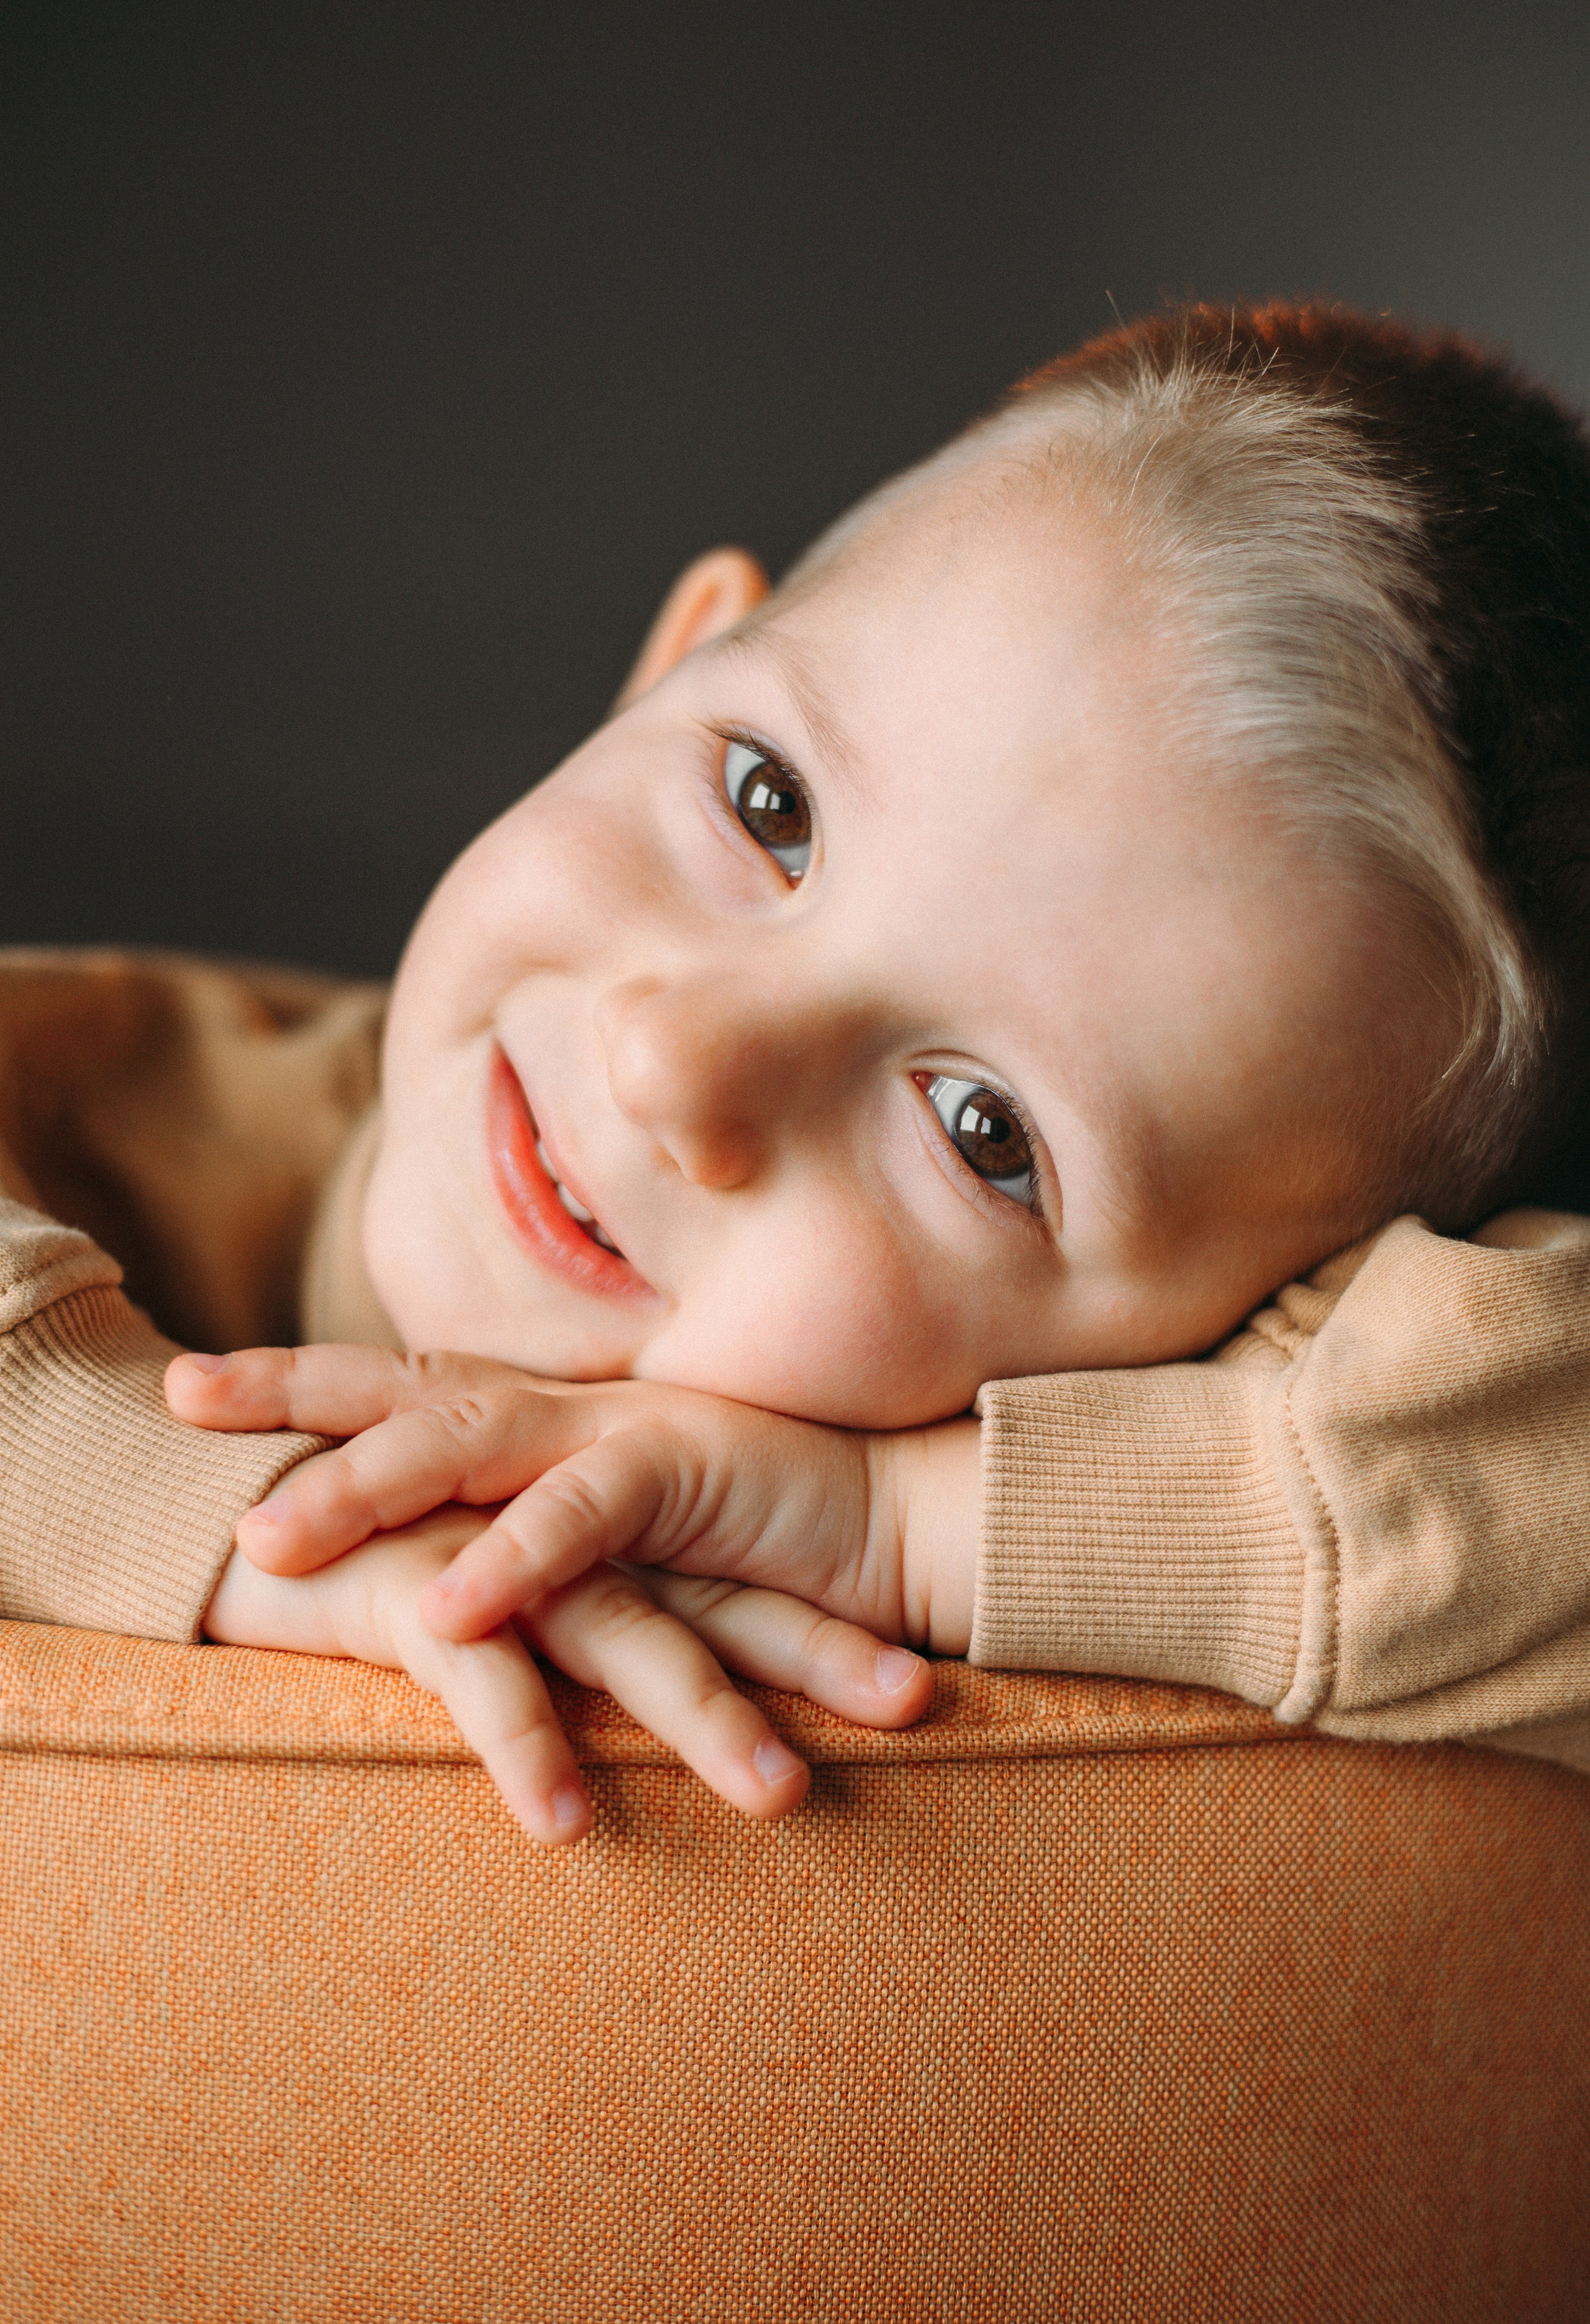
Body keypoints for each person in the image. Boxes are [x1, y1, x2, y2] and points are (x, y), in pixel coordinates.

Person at [4, 304, 1589, 1846]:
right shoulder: (76, 1095)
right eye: (769, 804)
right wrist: (218, 1512)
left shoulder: (1002, 1501)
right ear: (669, 662)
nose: (675, 1060)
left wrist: (896, 1526)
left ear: (1231, 1343)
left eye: (982, 1131)